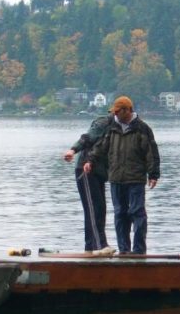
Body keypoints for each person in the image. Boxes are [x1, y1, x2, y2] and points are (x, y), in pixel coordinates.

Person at [83, 96, 160, 255]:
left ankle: (139, 250)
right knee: (120, 214)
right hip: (116, 179)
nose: (115, 115)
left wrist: (153, 174)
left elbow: (151, 153)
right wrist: (90, 160)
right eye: (115, 112)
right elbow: (100, 147)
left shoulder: (142, 129)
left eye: (118, 112)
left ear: (128, 110)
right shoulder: (112, 129)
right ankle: (124, 250)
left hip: (135, 179)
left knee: (137, 213)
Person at [63, 113, 114, 253]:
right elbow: (87, 138)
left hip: (99, 172)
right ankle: (100, 246)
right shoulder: (103, 123)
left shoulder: (118, 127)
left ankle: (90, 247)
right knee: (93, 209)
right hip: (85, 169)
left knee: (100, 209)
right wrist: (73, 150)